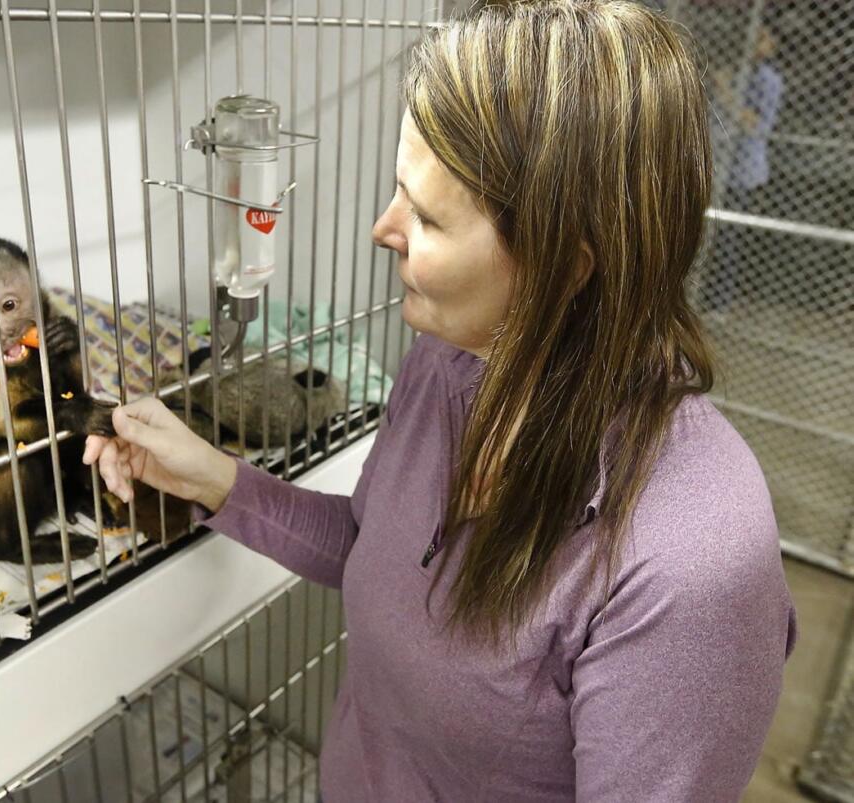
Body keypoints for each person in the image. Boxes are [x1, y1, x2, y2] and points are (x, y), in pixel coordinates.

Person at [85, 1, 796, 799]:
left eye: (425, 216)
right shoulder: (448, 359)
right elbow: (377, 549)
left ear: (567, 266)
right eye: (400, 194)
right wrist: (214, 478)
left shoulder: (691, 559)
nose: (384, 229)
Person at [702, 22, 784, 313]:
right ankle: (700, 295)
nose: (756, 42)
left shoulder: (768, 80)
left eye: (763, 37)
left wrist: (723, 89)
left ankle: (719, 304)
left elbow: (754, 125)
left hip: (741, 170)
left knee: (728, 240)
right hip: (714, 162)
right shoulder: (734, 69)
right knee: (703, 230)